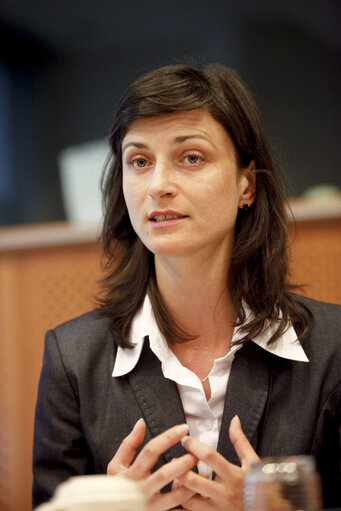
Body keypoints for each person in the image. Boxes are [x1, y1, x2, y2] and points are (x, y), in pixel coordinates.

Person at [33, 63, 341, 510]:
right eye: (139, 161)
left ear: (247, 185)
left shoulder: (334, 347)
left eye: (191, 157)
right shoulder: (73, 358)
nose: (158, 186)